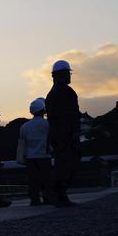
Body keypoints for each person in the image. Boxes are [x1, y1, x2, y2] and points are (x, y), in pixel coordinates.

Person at [46, 59, 80, 206]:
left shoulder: (56, 93)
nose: (69, 76)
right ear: (58, 75)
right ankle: (58, 195)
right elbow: (63, 116)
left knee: (65, 165)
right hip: (64, 135)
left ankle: (59, 195)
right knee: (64, 166)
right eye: (67, 73)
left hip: (62, 135)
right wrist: (69, 132)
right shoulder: (62, 92)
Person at [16, 98, 53, 205]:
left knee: (33, 180)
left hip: (30, 157)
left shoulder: (24, 126)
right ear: (43, 111)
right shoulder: (47, 124)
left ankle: (34, 199)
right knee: (47, 179)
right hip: (44, 156)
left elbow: (23, 143)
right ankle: (48, 197)